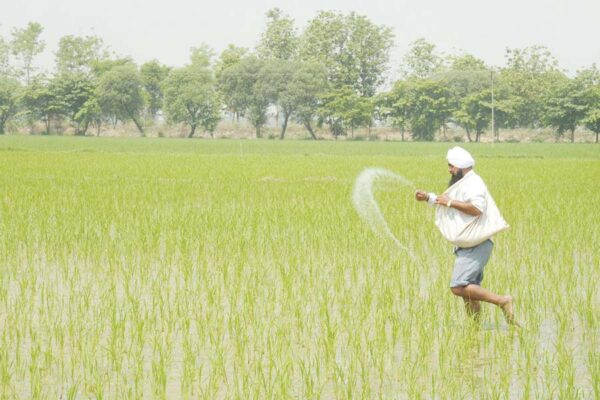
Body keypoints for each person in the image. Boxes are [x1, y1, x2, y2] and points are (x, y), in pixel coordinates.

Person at [415, 147, 518, 326]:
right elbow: (452, 202)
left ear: (461, 166)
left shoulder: (474, 183)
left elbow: (476, 209)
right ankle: (475, 329)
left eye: (451, 166)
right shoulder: (464, 182)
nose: (449, 169)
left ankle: (503, 301)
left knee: (458, 287)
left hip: (477, 245)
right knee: (468, 292)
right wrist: (428, 198)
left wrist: (448, 202)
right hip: (469, 245)